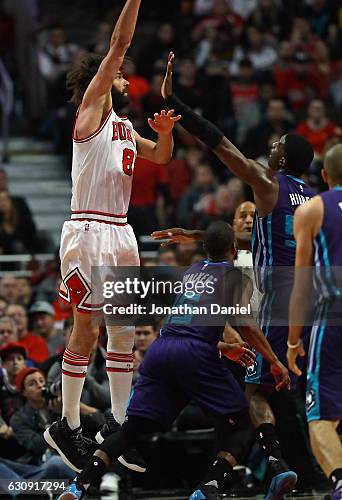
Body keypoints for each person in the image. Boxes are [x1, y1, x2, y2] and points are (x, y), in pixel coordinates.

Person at [44, 0, 180, 474]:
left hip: (120, 232)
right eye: (119, 75)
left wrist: (164, 136)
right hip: (87, 230)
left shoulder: (125, 128)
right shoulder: (91, 113)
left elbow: (160, 157)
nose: (126, 78)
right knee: (87, 329)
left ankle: (120, 426)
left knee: (122, 330)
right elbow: (119, 43)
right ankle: (68, 423)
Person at [154, 51, 315, 496]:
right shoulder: (313, 198)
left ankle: (264, 468)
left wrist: (177, 102)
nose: (273, 144)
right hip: (310, 299)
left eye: (279, 142)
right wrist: (193, 232)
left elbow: (220, 144)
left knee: (253, 395)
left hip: (275, 298)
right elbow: (272, 243)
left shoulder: (268, 183)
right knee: (285, 391)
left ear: (284, 159)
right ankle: (277, 466)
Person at [56, 221, 291, 500]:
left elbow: (188, 323)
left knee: (133, 429)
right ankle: (208, 488)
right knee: (240, 422)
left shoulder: (192, 272)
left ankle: (78, 485)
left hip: (162, 348)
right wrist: (274, 361)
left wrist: (221, 346)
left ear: (205, 249)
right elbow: (246, 325)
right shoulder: (236, 276)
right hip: (194, 353)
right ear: (232, 248)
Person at [287, 143, 342, 500]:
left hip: (333, 314)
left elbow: (301, 285)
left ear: (324, 176)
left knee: (320, 414)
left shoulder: (311, 209)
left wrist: (294, 341)